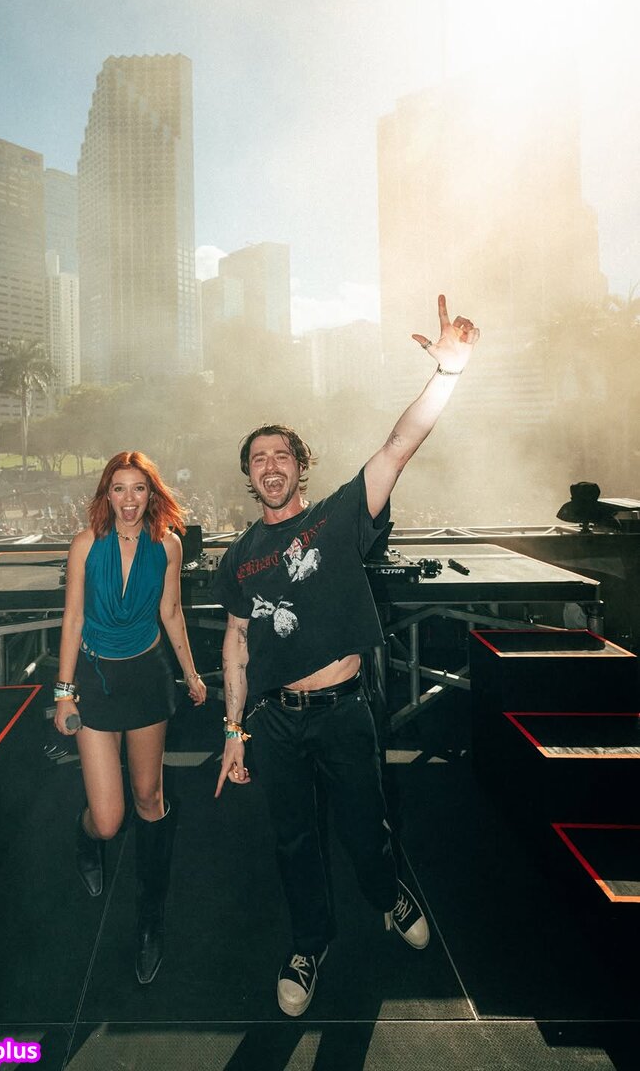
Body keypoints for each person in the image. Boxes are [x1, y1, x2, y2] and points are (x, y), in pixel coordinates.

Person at [213, 294, 480, 1017]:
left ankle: (388, 894)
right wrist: (234, 731)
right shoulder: (237, 557)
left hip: (343, 712)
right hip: (274, 722)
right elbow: (235, 643)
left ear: (301, 467)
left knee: (367, 829)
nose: (271, 465)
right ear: (248, 476)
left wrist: (448, 372)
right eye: (258, 458)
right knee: (293, 841)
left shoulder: (336, 517)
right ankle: (309, 945)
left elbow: (398, 444)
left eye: (282, 455)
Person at [54, 451, 206, 984]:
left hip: (146, 679)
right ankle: (85, 836)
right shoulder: (85, 544)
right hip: (95, 680)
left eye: (138, 488)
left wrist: (191, 674)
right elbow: (73, 617)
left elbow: (171, 612)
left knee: (149, 799)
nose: (128, 499)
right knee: (108, 820)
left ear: (151, 494)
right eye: (118, 488)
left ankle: (149, 920)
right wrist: (64, 693)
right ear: (106, 494)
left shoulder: (168, 545)